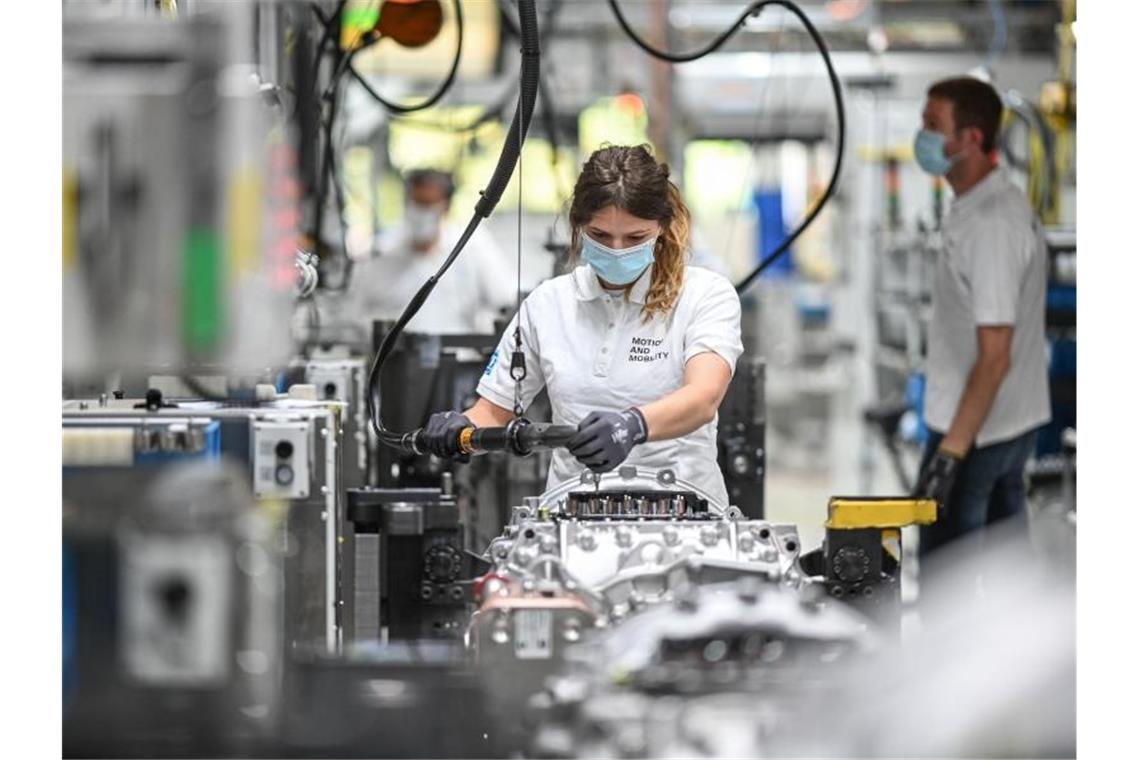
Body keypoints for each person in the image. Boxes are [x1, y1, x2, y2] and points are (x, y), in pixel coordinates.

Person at [421, 145, 744, 506]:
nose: (617, 249)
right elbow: (493, 411)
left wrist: (632, 426)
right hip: (572, 514)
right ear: (578, 226)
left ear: (663, 228)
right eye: (601, 236)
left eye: (635, 238)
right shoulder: (548, 304)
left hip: (686, 509)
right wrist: (460, 429)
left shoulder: (704, 294)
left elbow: (703, 397)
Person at [911, 77, 1051, 556]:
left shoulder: (993, 224)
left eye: (933, 125)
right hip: (996, 423)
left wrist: (950, 452)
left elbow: (994, 356)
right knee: (1003, 578)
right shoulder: (975, 207)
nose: (921, 136)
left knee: (950, 581)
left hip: (975, 433)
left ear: (970, 138)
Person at [346, 169, 515, 334]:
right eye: (417, 203)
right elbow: (355, 316)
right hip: (394, 357)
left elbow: (505, 300)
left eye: (429, 204)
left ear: (446, 207)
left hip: (460, 355)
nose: (421, 213)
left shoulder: (473, 247)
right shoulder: (382, 252)